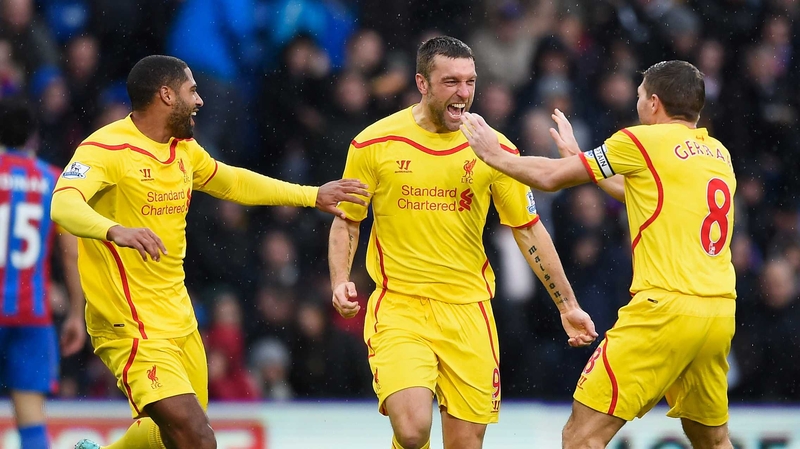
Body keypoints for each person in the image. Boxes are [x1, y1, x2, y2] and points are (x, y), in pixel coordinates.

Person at [50, 54, 369, 449]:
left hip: (179, 319)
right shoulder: (105, 149)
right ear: (166, 95)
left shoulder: (183, 148)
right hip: (130, 325)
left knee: (173, 435)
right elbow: (62, 205)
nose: (200, 100)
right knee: (199, 440)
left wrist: (311, 195)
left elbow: (232, 181)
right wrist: (114, 230)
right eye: (192, 90)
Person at [328, 36, 597, 449]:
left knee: (465, 444)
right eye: (451, 81)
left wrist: (568, 305)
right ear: (422, 83)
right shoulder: (373, 143)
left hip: (469, 311)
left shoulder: (494, 149)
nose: (464, 93)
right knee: (413, 428)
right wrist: (339, 280)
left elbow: (528, 229)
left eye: (470, 82)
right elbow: (348, 220)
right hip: (401, 306)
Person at [460, 60, 736, 448]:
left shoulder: (642, 140)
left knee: (581, 436)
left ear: (654, 103)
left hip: (664, 311)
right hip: (718, 313)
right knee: (713, 440)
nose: (637, 103)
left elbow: (551, 178)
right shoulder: (717, 154)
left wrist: (495, 156)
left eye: (639, 95)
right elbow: (641, 191)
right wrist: (580, 156)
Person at [0, 98, 85, 449]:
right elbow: (70, 253)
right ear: (33, 136)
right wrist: (77, 314)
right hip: (32, 314)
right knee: (32, 419)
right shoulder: (54, 180)